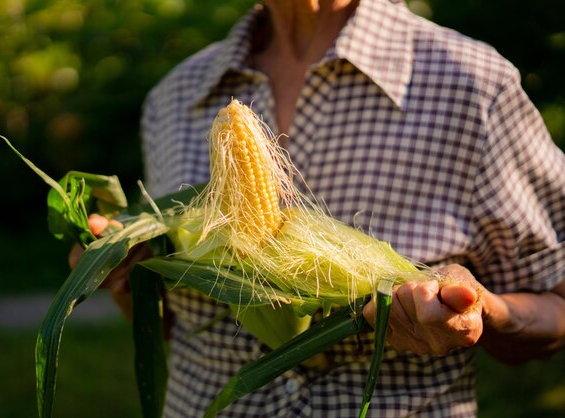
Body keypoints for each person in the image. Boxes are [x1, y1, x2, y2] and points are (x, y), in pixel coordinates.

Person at [71, 0, 565, 416]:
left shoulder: (473, 86)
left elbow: (555, 305)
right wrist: (124, 277)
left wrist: (483, 309)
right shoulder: (173, 97)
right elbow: (173, 323)